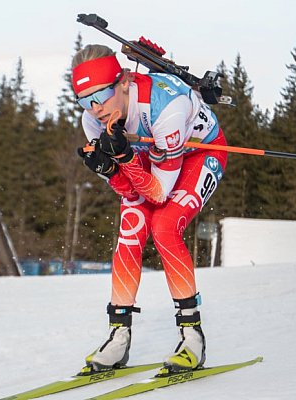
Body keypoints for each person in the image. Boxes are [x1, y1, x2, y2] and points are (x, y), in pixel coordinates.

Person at [72, 44, 228, 376]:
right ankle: (118, 336)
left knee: (165, 226)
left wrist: (125, 159)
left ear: (124, 81)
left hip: (200, 153)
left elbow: (157, 194)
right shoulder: (94, 122)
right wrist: (111, 171)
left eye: (101, 94)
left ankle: (192, 338)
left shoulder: (165, 109)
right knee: (130, 229)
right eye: (85, 101)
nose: (96, 109)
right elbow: (131, 192)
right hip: (150, 158)